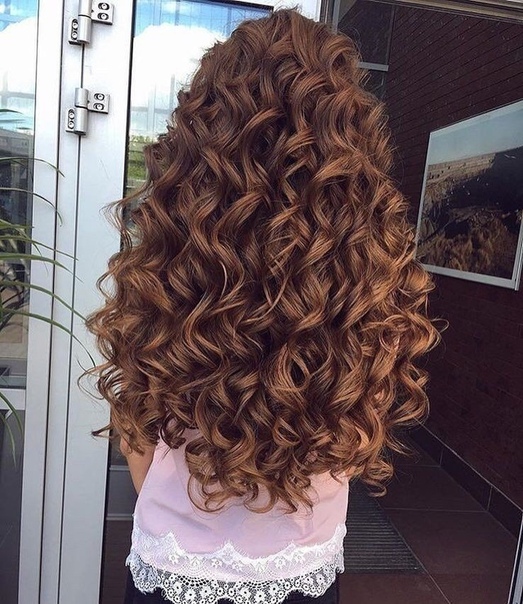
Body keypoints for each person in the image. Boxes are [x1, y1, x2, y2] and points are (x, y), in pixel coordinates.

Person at [85, 7, 442, 604]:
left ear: (203, 140)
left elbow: (139, 439)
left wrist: (189, 511)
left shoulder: (173, 266)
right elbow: (359, 430)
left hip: (175, 559)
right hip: (302, 562)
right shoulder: (367, 274)